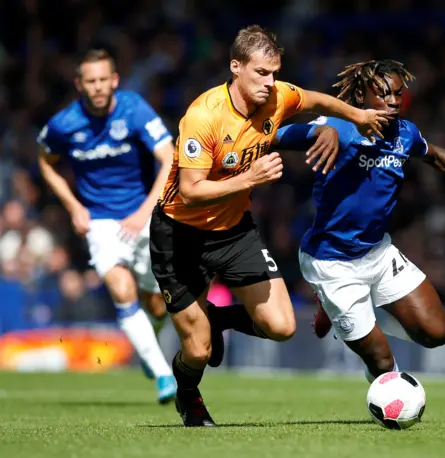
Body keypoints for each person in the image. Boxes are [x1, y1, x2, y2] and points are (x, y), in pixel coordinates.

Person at [149, 25, 394, 427]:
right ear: (236, 68)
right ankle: (188, 395)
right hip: (179, 234)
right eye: (261, 73)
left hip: (233, 231)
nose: (270, 82)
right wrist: (251, 179)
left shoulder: (277, 97)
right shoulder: (202, 116)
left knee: (281, 326)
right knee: (197, 352)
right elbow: (190, 192)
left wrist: (356, 115)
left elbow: (313, 99)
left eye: (275, 72)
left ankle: (219, 316)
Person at [273, 59, 445, 384]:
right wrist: (319, 130)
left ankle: (347, 313)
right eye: (382, 94)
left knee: (437, 334)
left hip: (377, 253)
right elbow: (274, 137)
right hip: (331, 262)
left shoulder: (404, 133)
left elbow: (435, 155)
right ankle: (346, 320)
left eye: (397, 93)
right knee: (380, 361)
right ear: (361, 98)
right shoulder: (340, 126)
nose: (392, 101)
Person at [37, 49, 177, 404]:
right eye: (90, 81)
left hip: (140, 215)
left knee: (157, 304)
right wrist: (74, 206)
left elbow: (169, 157)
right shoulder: (64, 124)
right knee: (121, 287)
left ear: (114, 80)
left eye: (103, 80)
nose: (98, 87)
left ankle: (149, 348)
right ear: (79, 84)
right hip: (100, 222)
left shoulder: (134, 109)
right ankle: (162, 373)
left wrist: (146, 211)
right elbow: (46, 162)